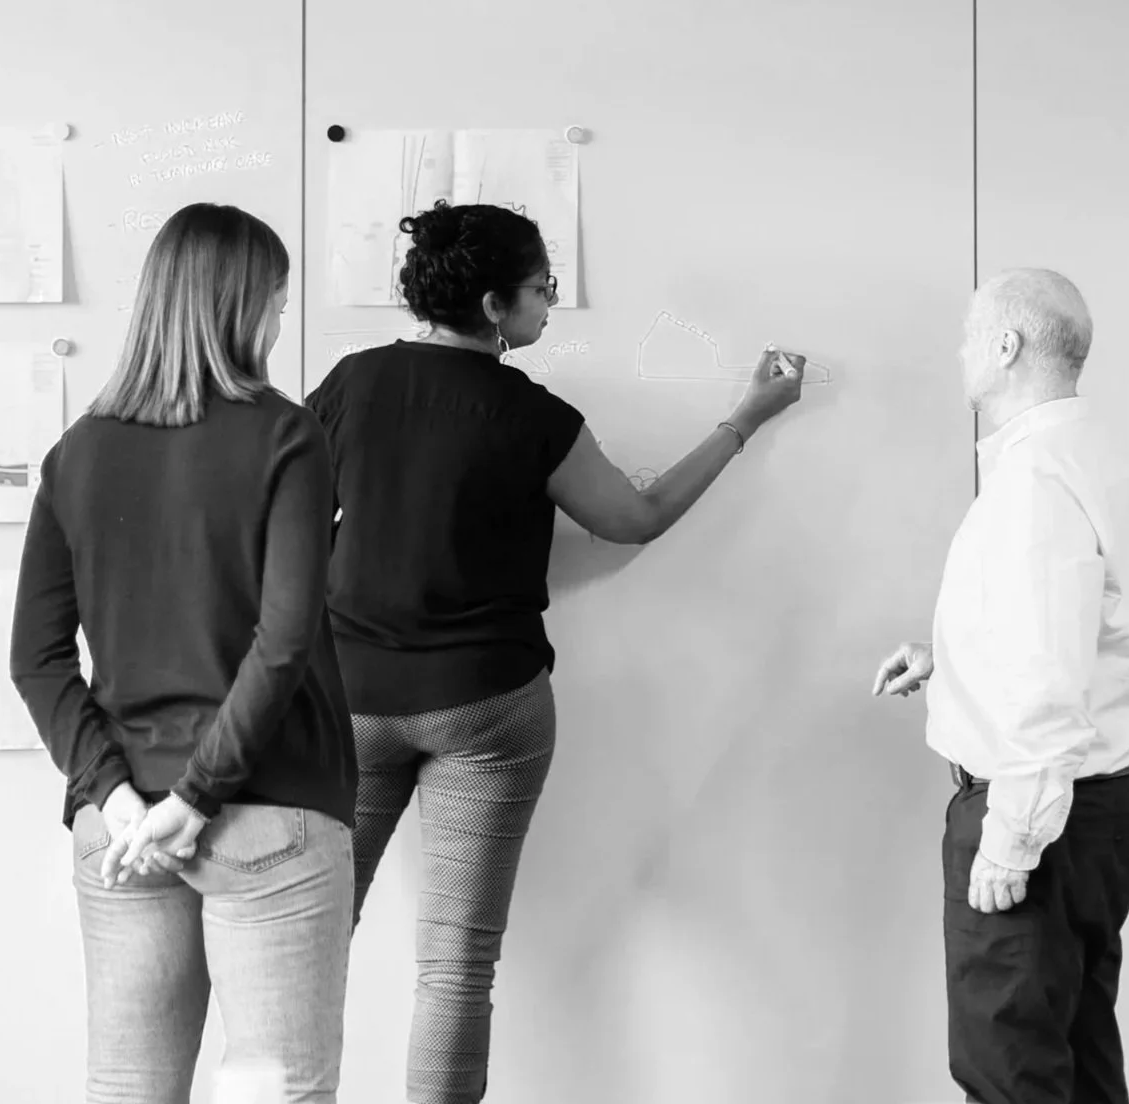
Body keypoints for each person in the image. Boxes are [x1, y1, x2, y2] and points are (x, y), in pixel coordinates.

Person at [305, 200, 806, 1103]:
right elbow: (633, 519)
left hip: (348, 700)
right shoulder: (533, 416)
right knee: (455, 966)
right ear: (493, 306)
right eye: (541, 288)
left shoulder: (351, 383)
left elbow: (289, 517)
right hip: (484, 705)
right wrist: (744, 418)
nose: (550, 303)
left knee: (307, 938)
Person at [10, 202, 357, 1103]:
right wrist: (197, 796)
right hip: (266, 811)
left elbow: (35, 659)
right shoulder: (286, 436)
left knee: (127, 1089)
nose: (279, 321)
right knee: (276, 1090)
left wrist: (118, 795)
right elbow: (283, 641)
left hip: (120, 824)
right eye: (277, 301)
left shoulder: (77, 452)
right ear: (241, 306)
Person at [873, 268, 1129, 1104]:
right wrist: (949, 657)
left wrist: (1012, 839)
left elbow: (1047, 678)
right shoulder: (1094, 456)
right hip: (1104, 800)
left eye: (970, 334)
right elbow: (1083, 629)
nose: (959, 351)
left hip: (1041, 808)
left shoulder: (1034, 478)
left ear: (1004, 346)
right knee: (1077, 1055)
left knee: (1009, 1072)